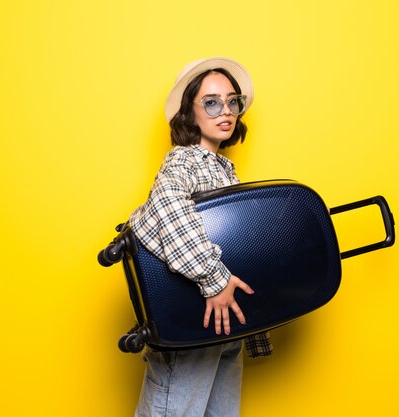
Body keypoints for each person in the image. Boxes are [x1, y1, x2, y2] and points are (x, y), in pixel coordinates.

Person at [129, 57, 272, 417]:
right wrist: (214, 279)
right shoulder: (184, 161)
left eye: (231, 101)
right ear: (188, 113)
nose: (225, 110)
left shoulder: (223, 169)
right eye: (211, 102)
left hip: (221, 327)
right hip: (192, 323)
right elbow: (167, 209)